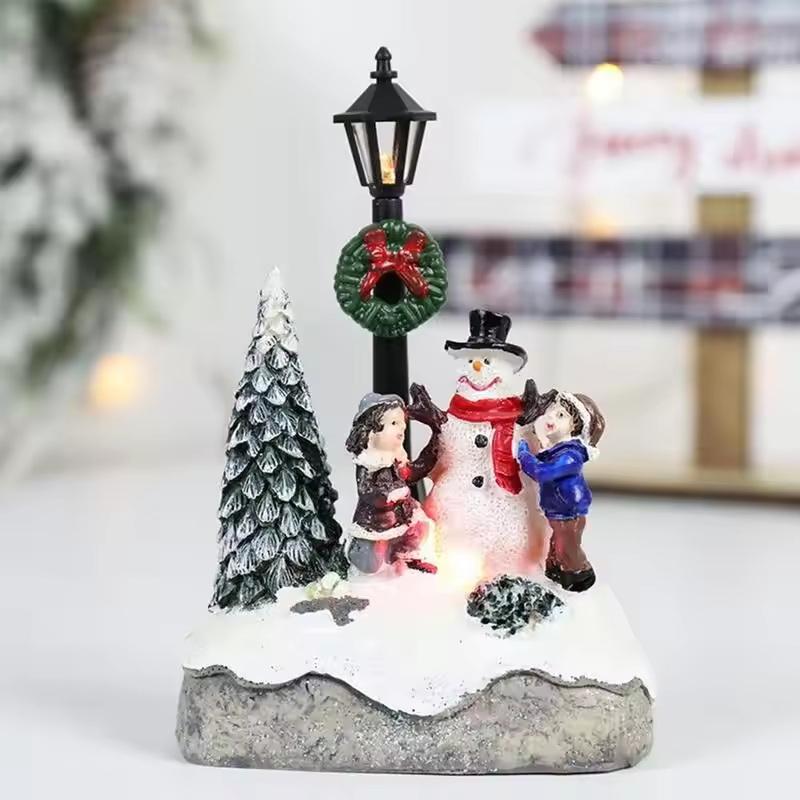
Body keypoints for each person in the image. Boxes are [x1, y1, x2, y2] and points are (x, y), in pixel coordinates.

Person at [343, 391, 440, 575]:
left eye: (402, 426)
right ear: (371, 431)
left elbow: (413, 473)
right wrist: (391, 495)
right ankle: (358, 551)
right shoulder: (368, 463)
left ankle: (406, 557)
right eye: (394, 424)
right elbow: (367, 491)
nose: (401, 431)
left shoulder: (395, 459)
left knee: (421, 528)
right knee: (370, 564)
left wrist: (433, 448)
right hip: (376, 524)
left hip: (403, 516)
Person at [517, 391, 605, 592]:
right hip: (557, 509)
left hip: (568, 512)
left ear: (575, 427)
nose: (551, 417)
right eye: (552, 411)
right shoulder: (556, 451)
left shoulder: (571, 456)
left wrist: (524, 454)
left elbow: (542, 472)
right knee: (556, 545)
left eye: (561, 415)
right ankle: (555, 572)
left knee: (567, 549)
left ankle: (579, 574)